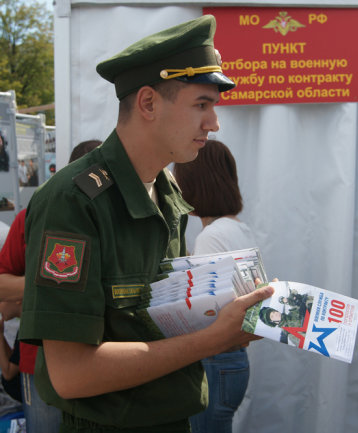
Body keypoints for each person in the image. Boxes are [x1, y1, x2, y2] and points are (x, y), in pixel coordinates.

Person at [19, 15, 273, 432]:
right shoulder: (76, 200)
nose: (214, 123)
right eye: (202, 105)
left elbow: (157, 319)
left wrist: (228, 313)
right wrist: (213, 339)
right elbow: (72, 373)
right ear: (149, 103)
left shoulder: (165, 193)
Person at [0, 140, 103, 432]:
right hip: (41, 362)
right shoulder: (35, 214)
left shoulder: (118, 219)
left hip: (105, 358)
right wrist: (51, 285)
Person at [173, 139, 256, 433]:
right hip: (234, 360)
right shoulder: (237, 229)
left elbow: (204, 314)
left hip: (215, 359)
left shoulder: (210, 237)